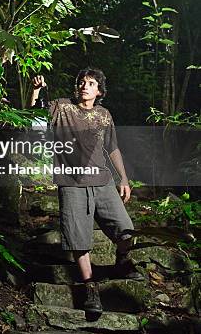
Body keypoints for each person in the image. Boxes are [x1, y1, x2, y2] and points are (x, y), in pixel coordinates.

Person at [30, 68, 144, 317]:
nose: (84, 86)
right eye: (82, 82)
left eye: (91, 83)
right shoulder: (61, 107)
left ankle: (122, 262)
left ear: (99, 91)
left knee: (126, 229)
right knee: (79, 238)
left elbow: (112, 148)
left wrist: (123, 178)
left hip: (102, 181)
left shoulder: (104, 115)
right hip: (71, 182)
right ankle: (90, 288)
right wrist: (37, 90)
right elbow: (35, 119)